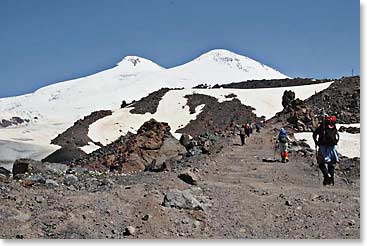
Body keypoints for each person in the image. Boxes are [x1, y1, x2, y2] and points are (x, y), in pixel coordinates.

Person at [313, 115, 339, 186]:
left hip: (322, 146)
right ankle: (331, 181)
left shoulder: (322, 127)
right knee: (331, 163)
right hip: (332, 146)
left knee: (321, 163)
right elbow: (337, 135)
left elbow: (315, 134)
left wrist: (316, 142)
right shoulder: (333, 126)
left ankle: (326, 175)